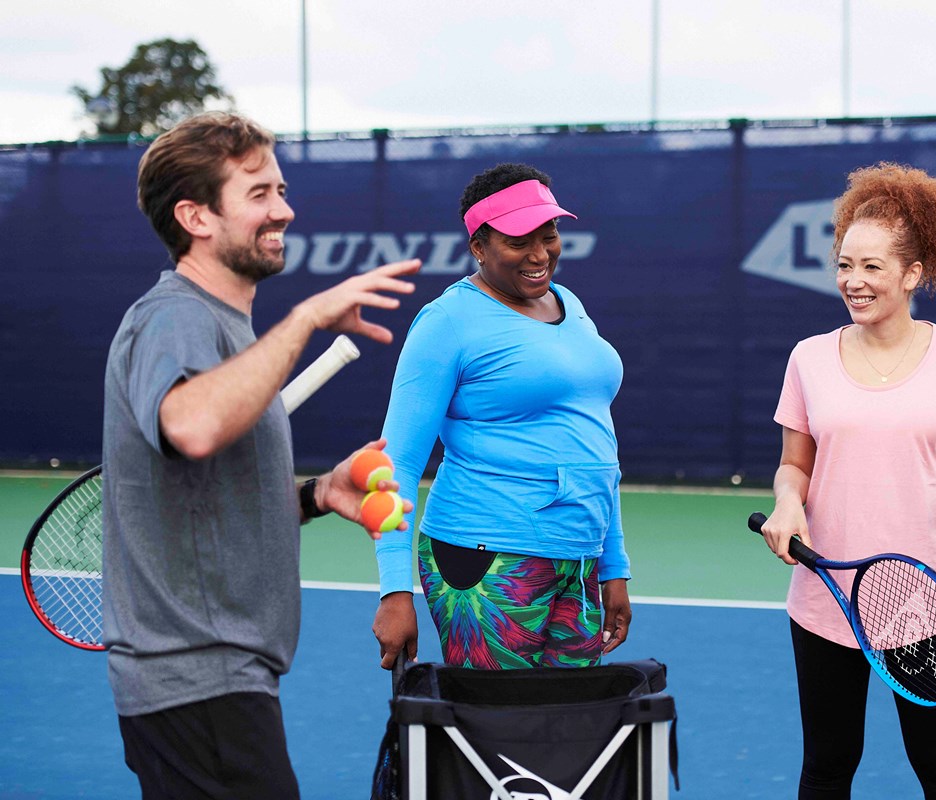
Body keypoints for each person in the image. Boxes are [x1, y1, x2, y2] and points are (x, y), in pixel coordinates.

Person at [102, 111, 421, 799]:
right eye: (259, 193)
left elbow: (206, 493)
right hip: (195, 680)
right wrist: (304, 320)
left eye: (279, 189)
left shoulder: (220, 331)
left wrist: (317, 493)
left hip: (217, 681)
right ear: (196, 216)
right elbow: (190, 428)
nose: (284, 209)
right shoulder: (175, 317)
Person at [758, 162, 936, 799]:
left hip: (926, 601)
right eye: (845, 264)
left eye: (872, 267)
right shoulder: (809, 358)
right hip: (825, 598)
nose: (853, 281)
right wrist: (787, 505)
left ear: (912, 274)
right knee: (828, 766)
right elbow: (794, 464)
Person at [371, 162, 632, 671]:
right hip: (485, 557)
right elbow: (394, 463)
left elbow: (597, 444)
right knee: (491, 735)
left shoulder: (570, 304)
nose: (539, 254)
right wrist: (393, 588)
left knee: (568, 734)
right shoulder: (446, 321)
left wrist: (613, 565)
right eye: (518, 241)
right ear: (479, 246)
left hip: (577, 559)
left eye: (549, 234)